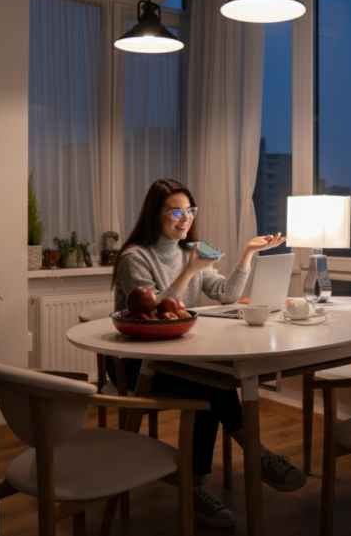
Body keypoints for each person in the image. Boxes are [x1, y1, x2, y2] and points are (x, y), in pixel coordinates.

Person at [111, 178, 304, 527]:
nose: (184, 219)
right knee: (210, 384)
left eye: (189, 211)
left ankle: (198, 483)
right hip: (135, 361)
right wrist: (191, 270)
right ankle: (248, 460)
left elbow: (228, 294)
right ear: (156, 214)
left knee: (211, 381)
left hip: (177, 353)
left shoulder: (192, 250)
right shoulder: (133, 257)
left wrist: (247, 253)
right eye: (175, 211)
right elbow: (153, 310)